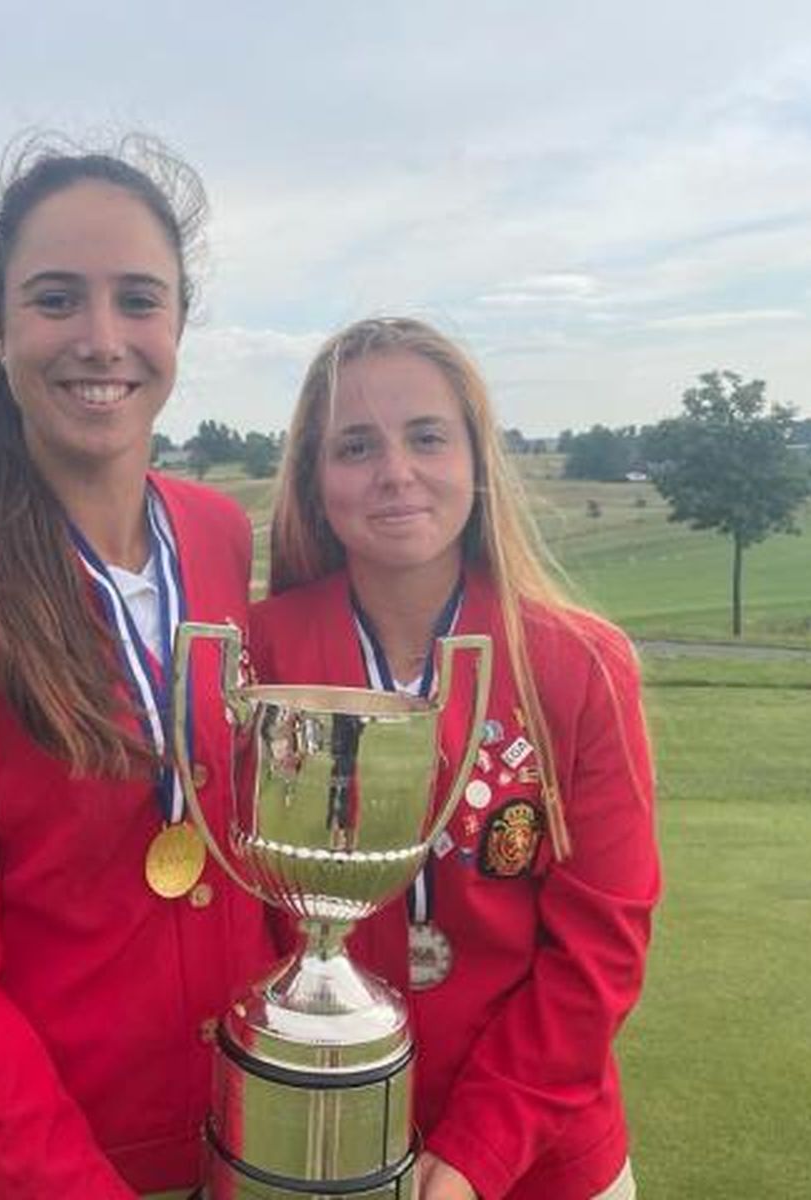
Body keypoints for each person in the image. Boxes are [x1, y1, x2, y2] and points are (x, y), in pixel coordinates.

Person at [0, 136, 277, 1199]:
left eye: (138, 299)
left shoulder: (216, 536)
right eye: (56, 300)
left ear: (177, 323)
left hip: (228, 1135)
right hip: (27, 1169)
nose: (102, 339)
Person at [250, 317, 660, 1200]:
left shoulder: (581, 664)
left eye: (427, 436)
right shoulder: (262, 655)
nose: (396, 471)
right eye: (355, 445)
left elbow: (601, 949)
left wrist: (480, 1149)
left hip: (543, 1160)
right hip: (312, 1142)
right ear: (315, 481)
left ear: (477, 461)